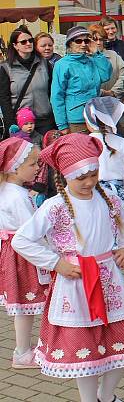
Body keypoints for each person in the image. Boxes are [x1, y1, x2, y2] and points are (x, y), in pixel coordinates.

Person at [12, 133, 124, 401]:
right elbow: (22, 240)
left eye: (93, 174)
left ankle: (107, 396)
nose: (89, 182)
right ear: (64, 176)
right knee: (85, 349)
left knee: (122, 342)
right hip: (75, 283)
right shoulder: (55, 206)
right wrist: (56, 263)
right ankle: (88, 398)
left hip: (108, 281)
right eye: (80, 177)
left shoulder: (107, 197)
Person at [0, 138, 47, 369]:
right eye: (33, 164)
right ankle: (23, 352)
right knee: (26, 306)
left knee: (23, 307)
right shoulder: (18, 196)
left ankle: (24, 350)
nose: (38, 168)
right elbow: (32, 230)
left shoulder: (8, 191)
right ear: (14, 167)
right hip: (24, 257)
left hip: (13, 254)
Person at [84, 97, 124, 250]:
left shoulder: (85, 143)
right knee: (122, 238)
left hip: (94, 195)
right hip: (119, 194)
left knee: (98, 236)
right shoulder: (122, 142)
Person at [51, 26, 112, 134]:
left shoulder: (91, 60)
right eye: (78, 41)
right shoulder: (62, 64)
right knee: (81, 150)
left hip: (96, 115)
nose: (83, 44)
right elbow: (57, 96)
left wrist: (96, 53)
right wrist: (62, 125)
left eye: (86, 40)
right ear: (70, 43)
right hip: (76, 119)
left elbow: (106, 75)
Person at [0, 28, 55, 137]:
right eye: (23, 42)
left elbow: (52, 92)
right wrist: (10, 123)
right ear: (15, 45)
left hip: (45, 120)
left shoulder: (45, 64)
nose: (28, 43)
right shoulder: (6, 68)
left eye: (30, 40)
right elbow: (4, 98)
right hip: (21, 122)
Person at [88, 24, 124, 99]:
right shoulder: (84, 58)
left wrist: (113, 92)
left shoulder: (113, 55)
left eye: (101, 39)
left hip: (113, 101)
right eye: (95, 40)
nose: (98, 43)